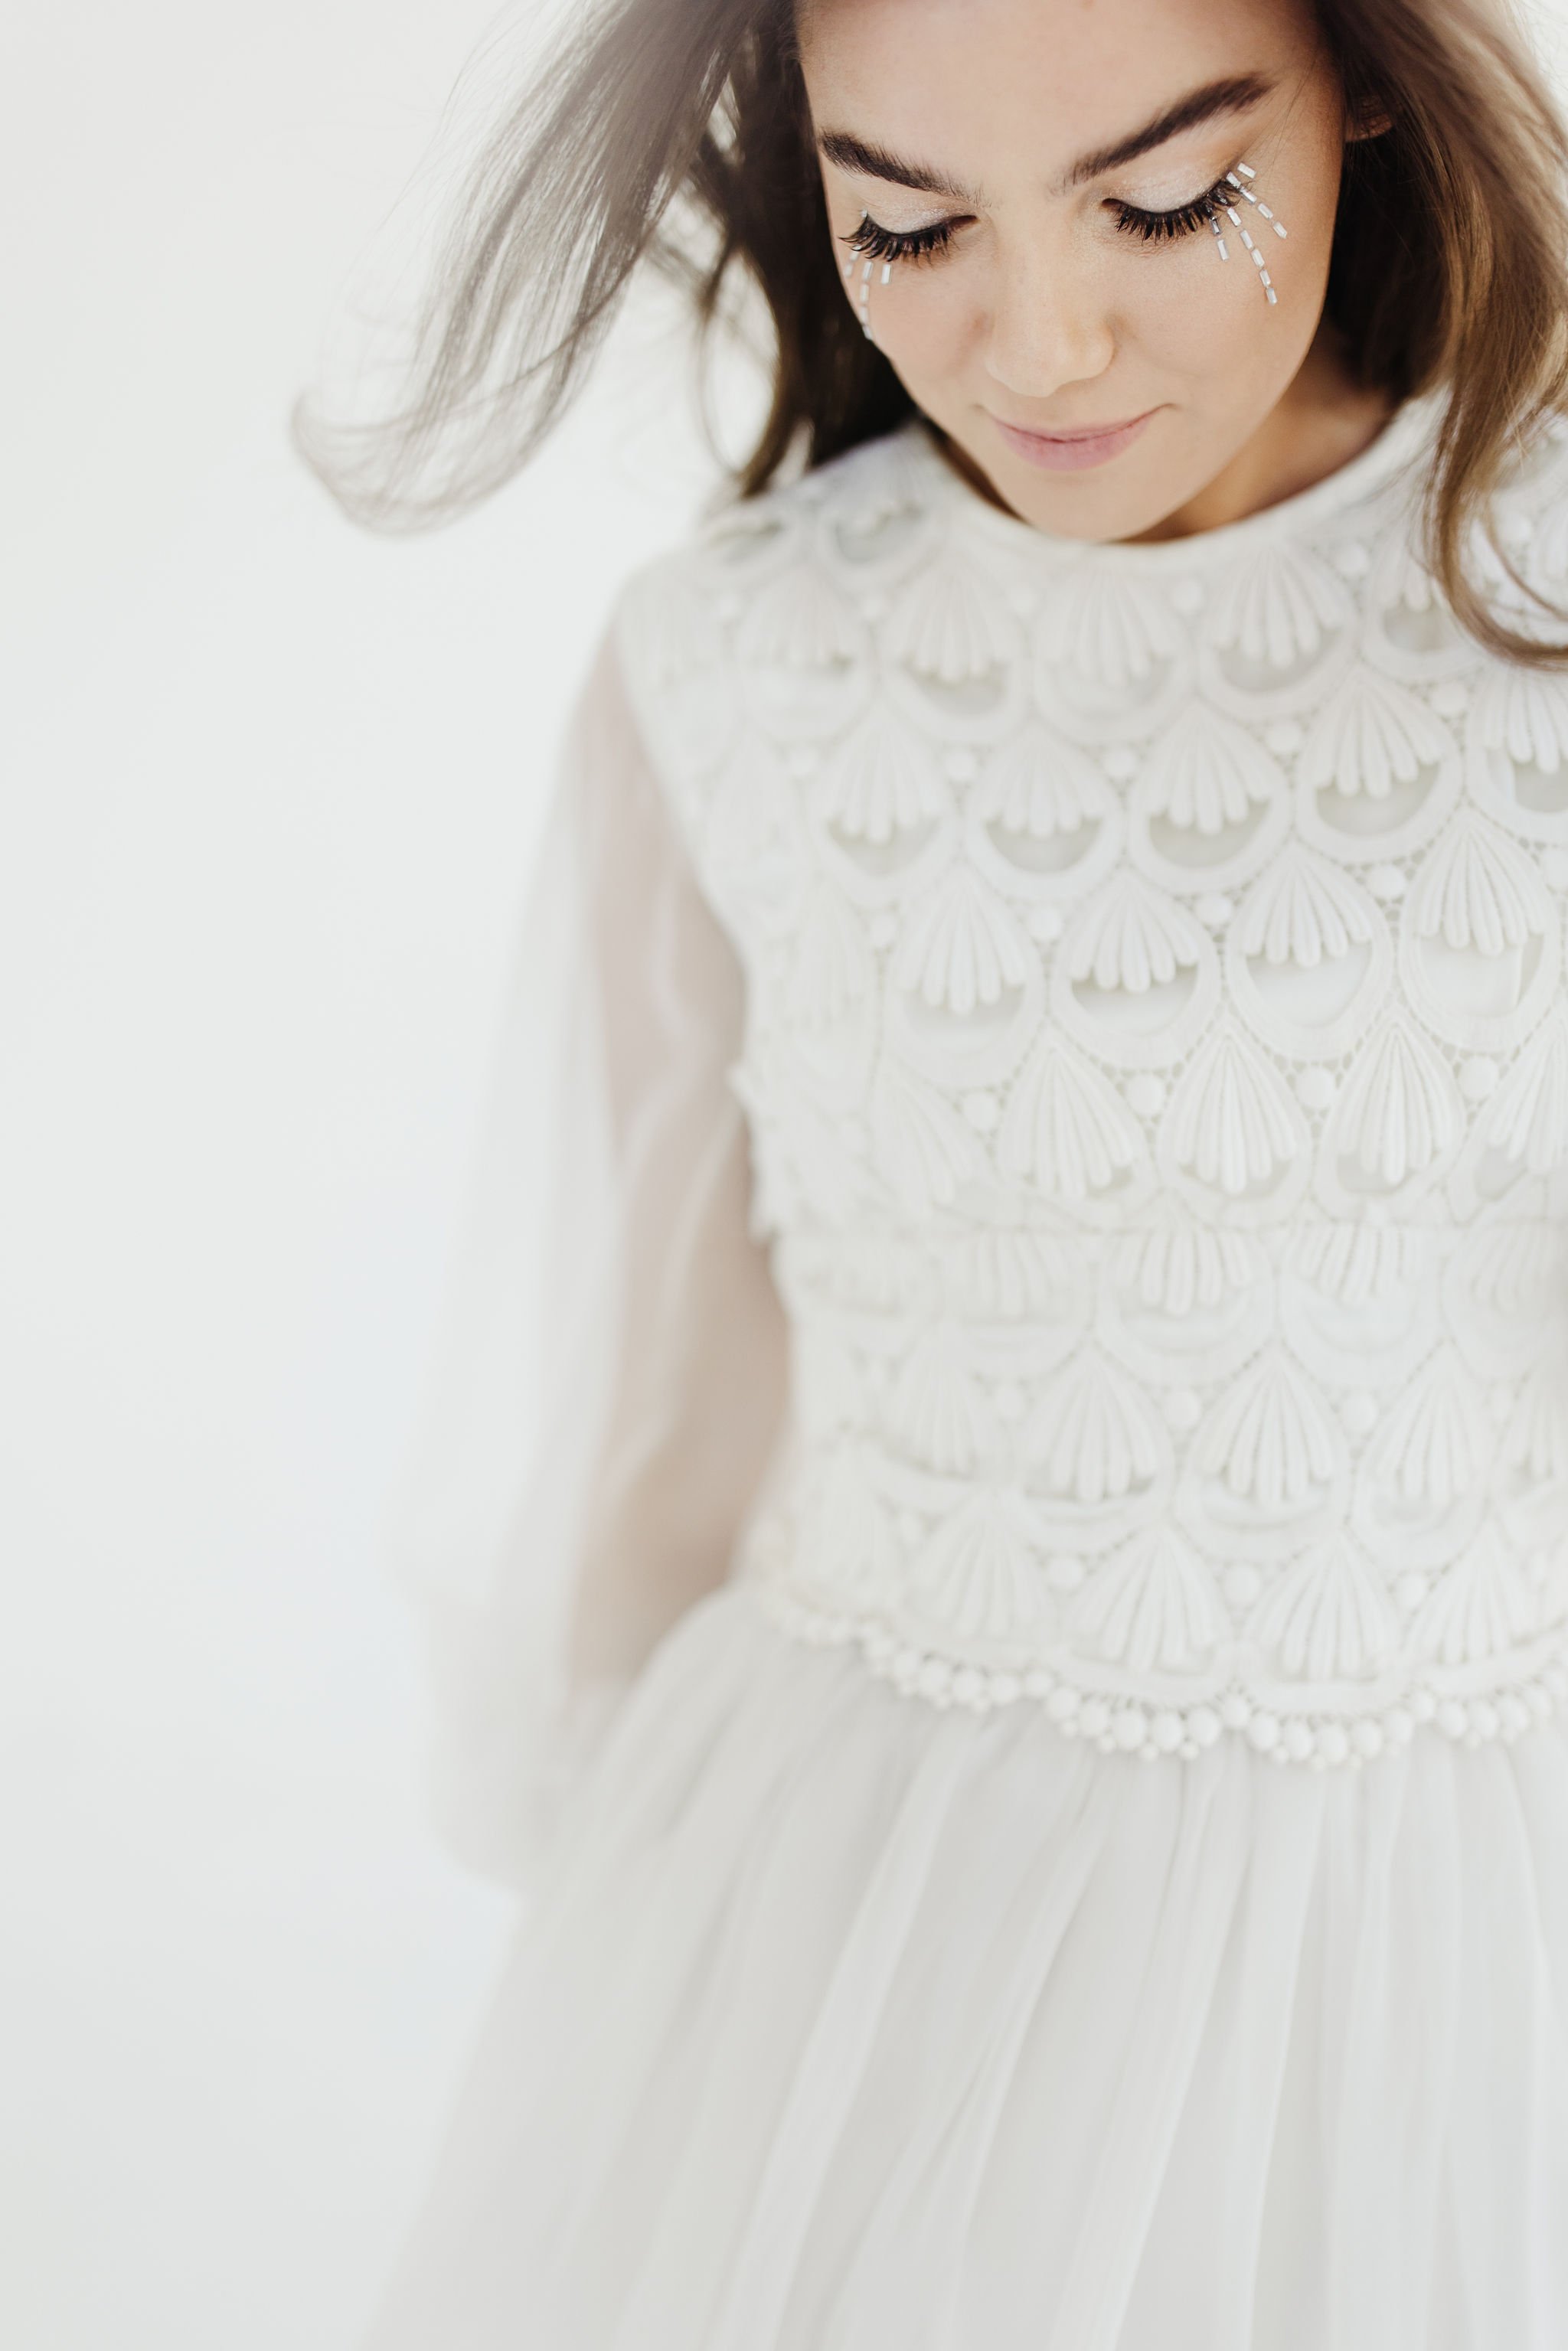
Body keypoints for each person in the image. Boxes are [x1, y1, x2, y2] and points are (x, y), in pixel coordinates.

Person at [302, 0, 1568, 2341]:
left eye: (1170, 198)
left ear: (1370, 77)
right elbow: (681, 1404)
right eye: (912, 224)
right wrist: (631, 1910)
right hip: (865, 1916)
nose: (1042, 339)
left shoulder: (1543, 609)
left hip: (1452, 1937)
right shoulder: (744, 671)